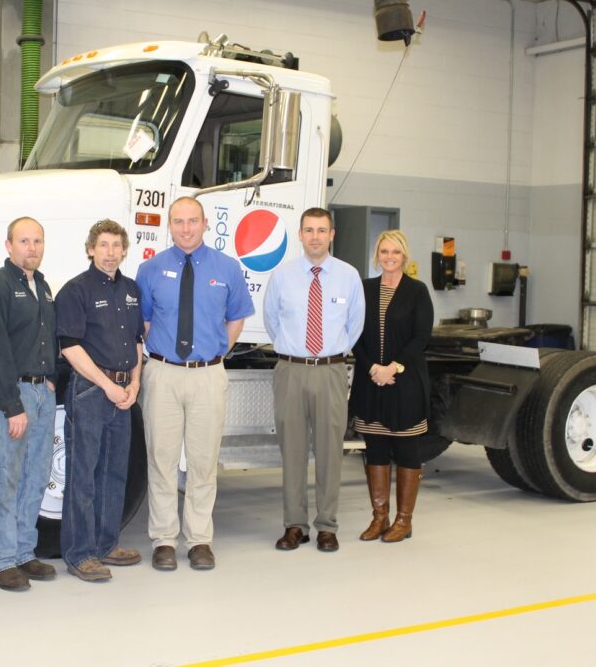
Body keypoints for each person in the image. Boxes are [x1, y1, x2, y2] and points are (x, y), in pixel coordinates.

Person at [135, 196, 254, 571]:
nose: (185, 228)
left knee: (203, 461)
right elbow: (145, 323)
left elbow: (237, 317)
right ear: (169, 226)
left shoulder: (227, 268)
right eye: (178, 221)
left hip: (207, 375)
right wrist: (166, 354)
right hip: (163, 373)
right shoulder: (150, 269)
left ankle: (200, 540)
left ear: (205, 224)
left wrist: (216, 351)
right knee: (161, 460)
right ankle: (164, 540)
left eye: (192, 221)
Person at [263, 207, 364, 553]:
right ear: (300, 235)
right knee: (292, 451)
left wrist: (329, 355)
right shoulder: (282, 276)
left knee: (329, 452)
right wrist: (296, 352)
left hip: (331, 371)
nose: (315, 236)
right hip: (290, 370)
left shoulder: (349, 276)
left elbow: (355, 324)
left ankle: (326, 526)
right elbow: (272, 321)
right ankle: (295, 525)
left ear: (332, 235)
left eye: (322, 230)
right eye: (309, 230)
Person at [55, 220, 144, 582]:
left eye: (116, 245)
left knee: (114, 472)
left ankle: (107, 544)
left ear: (125, 250)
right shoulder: (76, 290)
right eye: (103, 245)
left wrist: (135, 383)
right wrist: (107, 385)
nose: (110, 252)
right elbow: (70, 347)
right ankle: (80, 554)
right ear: (90, 249)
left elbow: (137, 342)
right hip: (91, 391)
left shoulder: (132, 289)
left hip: (123, 392)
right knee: (83, 474)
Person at [0, 217, 58, 592]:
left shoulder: (43, 286)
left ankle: (24, 552)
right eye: (24, 241)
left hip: (42, 394)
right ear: (9, 246)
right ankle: (1, 560)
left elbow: (47, 337)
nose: (32, 248)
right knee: (5, 479)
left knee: (35, 477)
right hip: (10, 395)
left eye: (38, 241)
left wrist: (52, 379)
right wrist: (11, 406)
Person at [349, 229, 433, 543]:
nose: (389, 257)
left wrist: (392, 367)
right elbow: (354, 332)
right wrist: (373, 368)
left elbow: (421, 337)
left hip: (404, 382)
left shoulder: (417, 291)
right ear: (377, 256)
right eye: (384, 252)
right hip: (371, 381)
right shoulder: (365, 289)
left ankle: (403, 521)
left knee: (408, 449)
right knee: (376, 449)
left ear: (404, 256)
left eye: (395, 252)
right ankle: (379, 518)